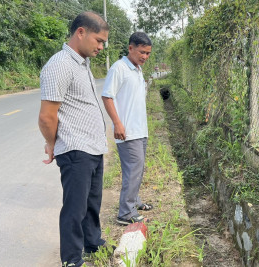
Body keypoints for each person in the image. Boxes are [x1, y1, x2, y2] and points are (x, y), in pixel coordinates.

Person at [38, 11, 109, 266]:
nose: (101, 46)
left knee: (92, 204)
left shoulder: (82, 63)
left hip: (92, 147)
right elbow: (47, 117)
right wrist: (52, 144)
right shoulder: (60, 65)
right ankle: (71, 259)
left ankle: (93, 244)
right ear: (81, 32)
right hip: (76, 150)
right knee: (75, 209)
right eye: (99, 40)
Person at [101, 32, 153, 226]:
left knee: (137, 169)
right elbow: (107, 96)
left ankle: (134, 201)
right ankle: (125, 213)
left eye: (148, 53)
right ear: (130, 48)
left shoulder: (137, 70)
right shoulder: (119, 69)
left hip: (140, 130)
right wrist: (117, 123)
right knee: (133, 170)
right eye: (142, 52)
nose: (145, 57)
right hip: (128, 131)